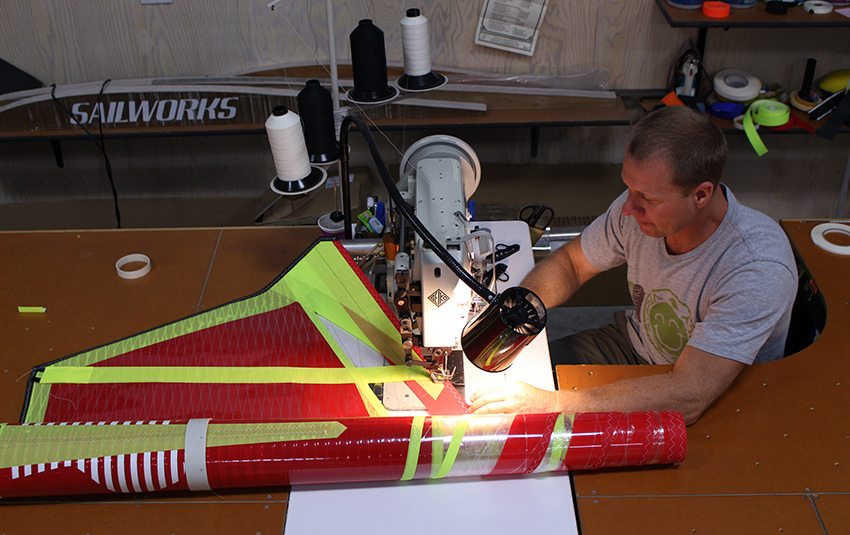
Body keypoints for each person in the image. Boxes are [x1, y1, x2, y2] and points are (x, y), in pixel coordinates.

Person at [470, 106, 798, 425]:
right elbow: (572, 264)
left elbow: (689, 395)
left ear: (700, 195)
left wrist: (553, 404)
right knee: (513, 375)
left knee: (543, 425)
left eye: (649, 198)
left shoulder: (756, 267)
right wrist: (520, 306)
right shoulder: (639, 211)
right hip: (636, 345)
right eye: (629, 187)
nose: (628, 208)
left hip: (716, 394)